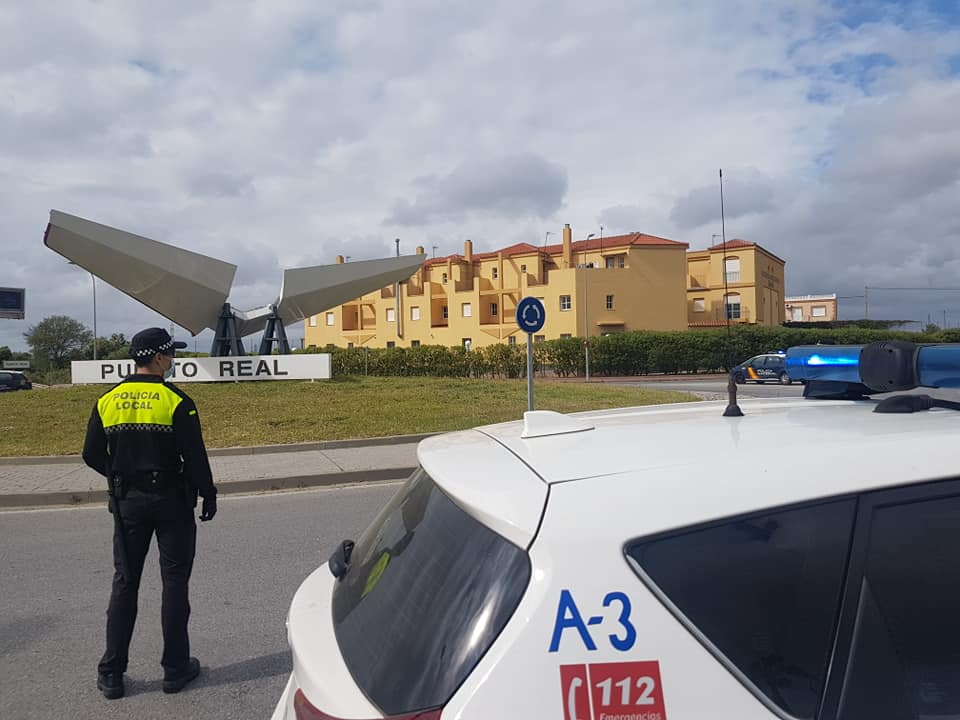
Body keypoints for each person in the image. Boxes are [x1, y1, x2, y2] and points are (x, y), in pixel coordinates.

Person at [82, 327, 217, 700]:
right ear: (158, 358)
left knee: (125, 582)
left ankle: (112, 674)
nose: (172, 361)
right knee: (174, 583)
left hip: (127, 502)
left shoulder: (108, 399)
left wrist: (119, 474)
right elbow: (195, 457)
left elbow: (91, 454)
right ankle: (175, 670)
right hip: (172, 500)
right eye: (170, 355)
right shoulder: (177, 401)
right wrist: (208, 494)